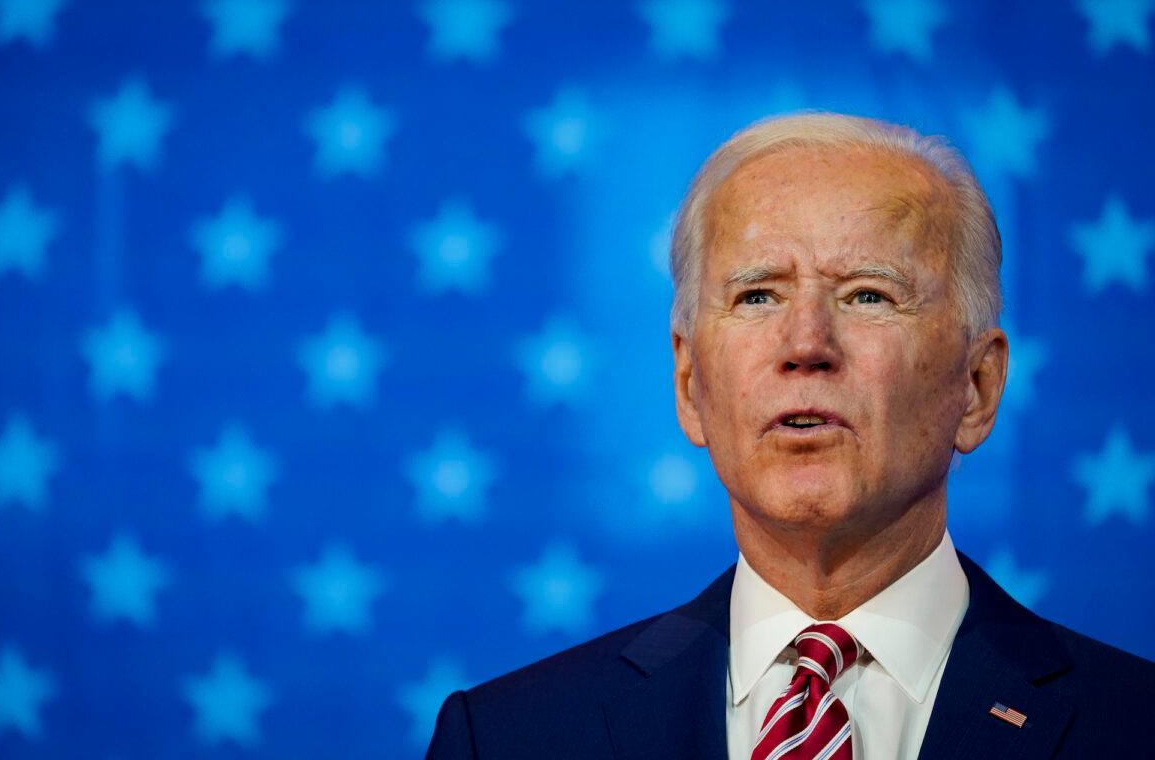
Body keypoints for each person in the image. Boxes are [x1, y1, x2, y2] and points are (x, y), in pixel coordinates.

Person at [425, 113, 1155, 759]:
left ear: (977, 386)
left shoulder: (1131, 726)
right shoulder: (510, 739)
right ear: (690, 385)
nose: (805, 343)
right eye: (757, 295)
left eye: (868, 294)